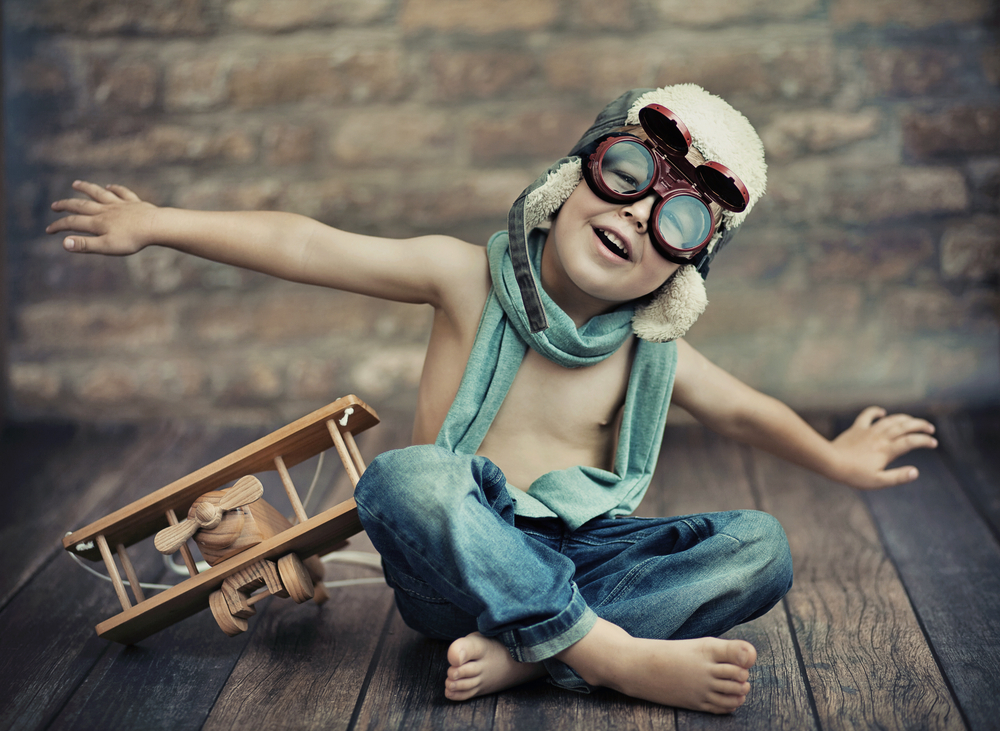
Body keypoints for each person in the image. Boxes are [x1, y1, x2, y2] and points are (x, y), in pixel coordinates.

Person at [46, 84, 937, 714]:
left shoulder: (651, 349)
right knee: (403, 477)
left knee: (761, 547)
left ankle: (534, 651)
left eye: (677, 220)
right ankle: (604, 650)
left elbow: (744, 411)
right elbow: (312, 245)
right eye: (628, 172)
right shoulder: (463, 279)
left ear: (685, 272)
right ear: (572, 176)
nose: (637, 214)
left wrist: (834, 457)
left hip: (580, 558)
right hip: (454, 566)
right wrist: (159, 224)